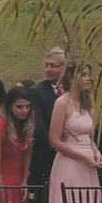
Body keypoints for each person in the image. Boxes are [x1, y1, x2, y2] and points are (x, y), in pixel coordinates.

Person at [47, 61, 102, 203]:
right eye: (83, 74)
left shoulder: (89, 105)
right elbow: (54, 140)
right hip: (69, 164)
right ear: (72, 77)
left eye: (89, 74)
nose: (88, 79)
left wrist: (96, 152)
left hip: (88, 166)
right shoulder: (62, 103)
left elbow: (89, 137)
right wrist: (82, 156)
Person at [30, 49, 67, 188]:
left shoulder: (73, 91)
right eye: (46, 65)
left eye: (53, 66)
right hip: (46, 155)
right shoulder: (37, 92)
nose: (48, 69)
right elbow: (38, 126)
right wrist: (58, 146)